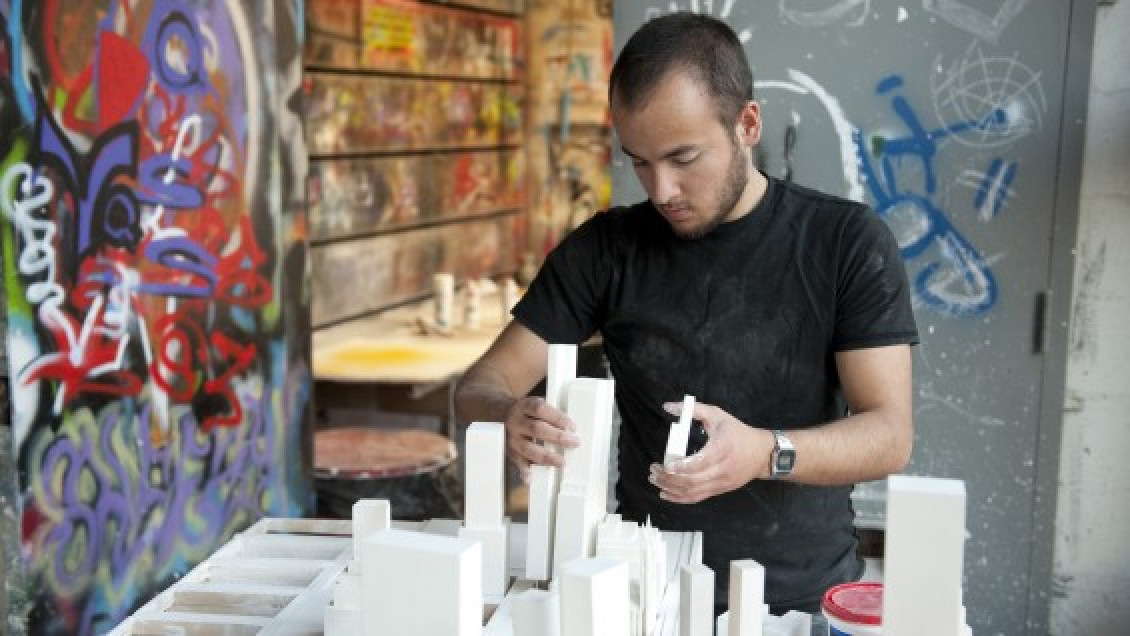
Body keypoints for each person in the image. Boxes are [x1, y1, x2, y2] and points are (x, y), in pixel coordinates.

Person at [454, 12, 918, 615]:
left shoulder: (845, 242)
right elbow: (479, 387)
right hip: (644, 590)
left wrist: (764, 452)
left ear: (747, 124)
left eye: (683, 158)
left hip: (800, 598)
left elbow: (889, 435)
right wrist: (506, 416)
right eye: (639, 162)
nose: (661, 189)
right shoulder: (606, 249)